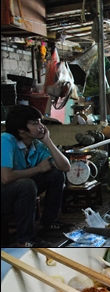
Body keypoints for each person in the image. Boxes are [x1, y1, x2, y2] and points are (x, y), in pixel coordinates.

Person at [1, 105, 72, 247]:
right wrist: (38, 169)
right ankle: (25, 239)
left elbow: (65, 167)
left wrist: (47, 141)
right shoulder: (5, 140)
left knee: (55, 174)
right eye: (35, 123)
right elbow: (6, 178)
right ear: (21, 129)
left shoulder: (36, 145)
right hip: (4, 194)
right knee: (26, 184)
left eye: (40, 122)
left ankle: (49, 221)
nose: (41, 127)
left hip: (19, 192)